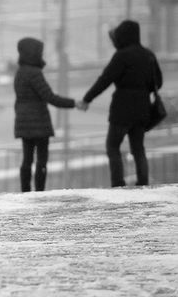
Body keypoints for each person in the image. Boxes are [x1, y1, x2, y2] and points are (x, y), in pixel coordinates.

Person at [78, 20, 163, 187]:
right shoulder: (148, 55)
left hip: (122, 110)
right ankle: (143, 183)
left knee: (113, 145)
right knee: (138, 148)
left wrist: (87, 99)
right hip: (143, 110)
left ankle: (118, 184)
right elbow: (158, 82)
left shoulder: (122, 56)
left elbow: (105, 80)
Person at [13, 38, 76, 192]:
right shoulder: (34, 73)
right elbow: (50, 97)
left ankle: (25, 191)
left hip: (23, 123)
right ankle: (39, 191)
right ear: (33, 53)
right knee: (41, 160)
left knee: (27, 158)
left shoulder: (20, 72)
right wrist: (74, 103)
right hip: (39, 124)